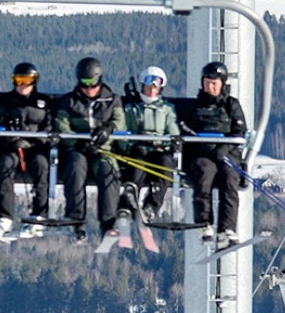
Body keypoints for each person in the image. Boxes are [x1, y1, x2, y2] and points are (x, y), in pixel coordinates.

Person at [54, 56, 125, 243]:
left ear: (100, 80)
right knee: (76, 167)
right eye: (84, 83)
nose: (89, 88)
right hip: (78, 149)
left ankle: (108, 223)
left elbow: (120, 123)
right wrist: (77, 142)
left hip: (103, 149)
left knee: (107, 171)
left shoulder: (113, 100)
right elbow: (62, 125)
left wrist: (108, 129)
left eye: (93, 83)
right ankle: (77, 221)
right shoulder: (69, 101)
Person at [177, 61, 248, 246]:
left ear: (222, 84)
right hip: (202, 154)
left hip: (226, 154)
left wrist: (223, 149)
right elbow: (186, 131)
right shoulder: (195, 106)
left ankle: (227, 228)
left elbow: (239, 131)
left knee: (229, 178)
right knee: (204, 175)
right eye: (207, 83)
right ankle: (204, 223)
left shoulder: (231, 105)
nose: (210, 87)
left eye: (214, 83)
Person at [0, 62, 52, 237]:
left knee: (41, 165)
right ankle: (5, 217)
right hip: (11, 146)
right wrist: (9, 138)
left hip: (35, 147)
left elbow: (49, 127)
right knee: (6, 165)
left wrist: (34, 141)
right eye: (19, 80)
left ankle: (39, 214)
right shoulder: (5, 102)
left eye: (28, 80)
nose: (23, 85)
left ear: (35, 81)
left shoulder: (43, 102)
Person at [121, 66, 180, 223]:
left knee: (165, 167)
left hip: (159, 150)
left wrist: (166, 144)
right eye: (148, 85)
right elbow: (124, 131)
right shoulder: (133, 109)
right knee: (137, 168)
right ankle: (127, 204)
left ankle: (151, 206)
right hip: (139, 149)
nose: (152, 90)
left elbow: (173, 131)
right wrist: (130, 145)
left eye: (155, 86)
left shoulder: (166, 109)